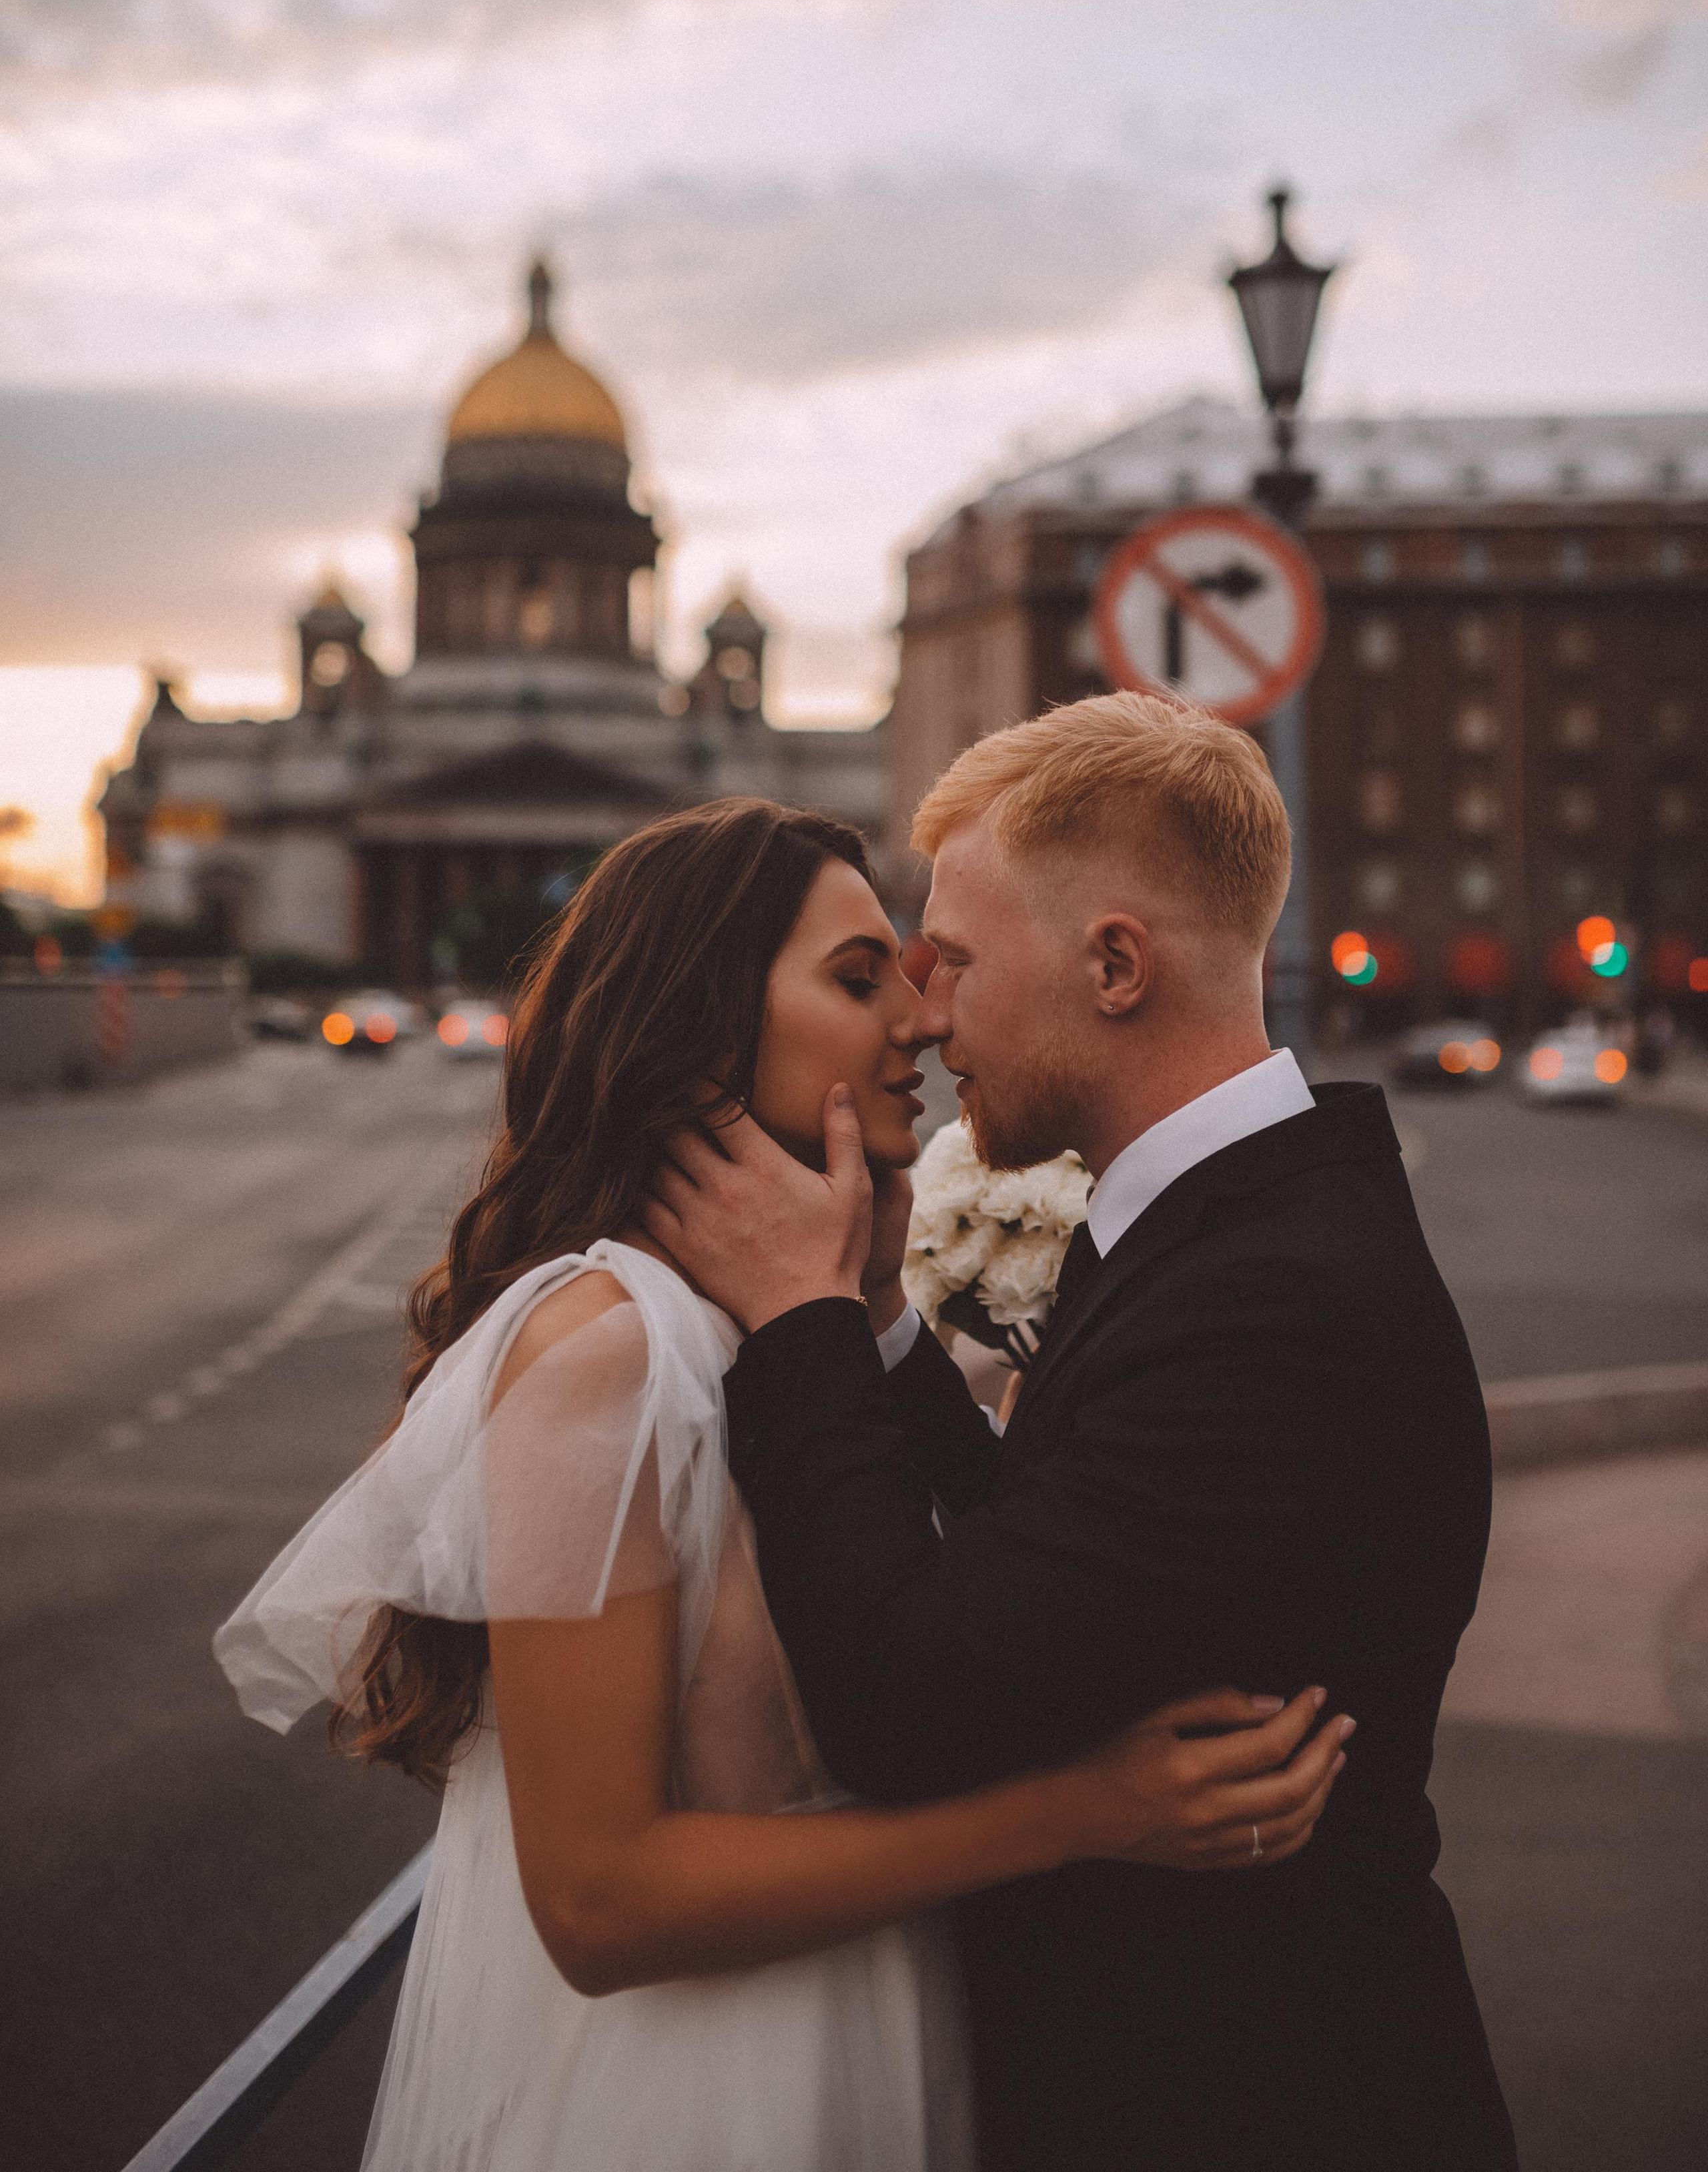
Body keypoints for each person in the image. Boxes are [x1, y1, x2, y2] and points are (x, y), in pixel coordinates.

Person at [215, 797, 1346, 2172]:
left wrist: (866, 1303)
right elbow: (596, 1898)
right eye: (859, 980)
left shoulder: (789, 1324)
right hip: (700, 2102)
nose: (923, 1025)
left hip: (871, 2044)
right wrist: (1077, 1811)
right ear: (698, 1026)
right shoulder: (609, 1347)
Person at [646, 702, 1519, 2172]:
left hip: (1246, 2106)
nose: (926, 1019)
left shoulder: (1269, 1300)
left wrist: (794, 1320)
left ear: (1114, 964)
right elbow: (1071, 1564)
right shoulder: (1238, 1224)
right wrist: (877, 1319)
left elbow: (901, 1699)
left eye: (958, 964)